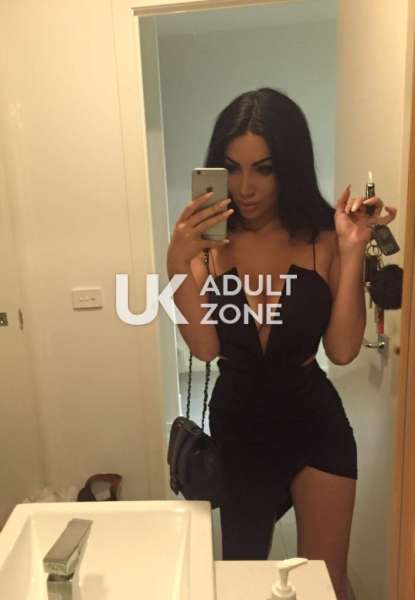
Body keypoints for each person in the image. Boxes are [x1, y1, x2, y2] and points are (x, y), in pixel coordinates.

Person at [166, 88, 397, 600]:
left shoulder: (324, 238)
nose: (245, 187)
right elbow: (203, 347)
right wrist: (176, 263)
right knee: (244, 582)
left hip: (315, 425)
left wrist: (352, 252)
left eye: (264, 169)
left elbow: (341, 350)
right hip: (241, 430)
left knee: (324, 585)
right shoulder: (208, 244)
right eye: (232, 168)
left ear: (289, 166)